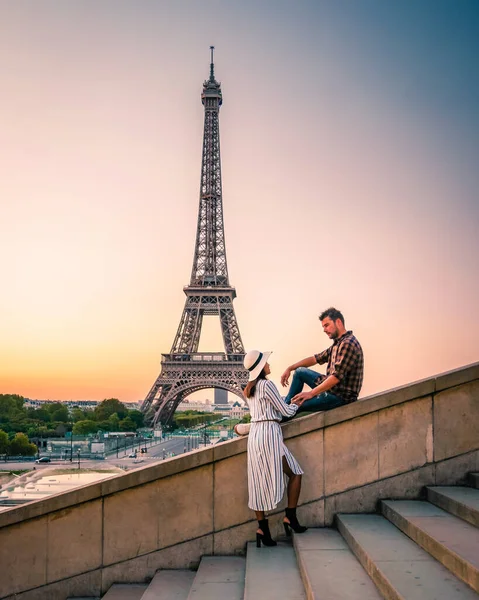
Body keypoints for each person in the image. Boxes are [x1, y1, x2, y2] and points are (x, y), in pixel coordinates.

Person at [243, 349, 308, 547]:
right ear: (262, 367)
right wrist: (300, 403)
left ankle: (262, 527)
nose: (269, 364)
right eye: (267, 362)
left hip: (254, 436)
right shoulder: (267, 385)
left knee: (256, 482)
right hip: (269, 436)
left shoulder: (249, 389)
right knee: (296, 473)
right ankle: (290, 517)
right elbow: (284, 410)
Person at [281, 307, 364, 413]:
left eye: (327, 325)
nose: (324, 330)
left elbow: (336, 377)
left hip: (340, 396)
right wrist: (290, 368)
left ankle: (284, 412)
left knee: (298, 405)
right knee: (299, 372)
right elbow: (315, 358)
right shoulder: (338, 344)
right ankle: (285, 406)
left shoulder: (347, 344)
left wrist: (310, 393)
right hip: (332, 389)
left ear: (338, 322)